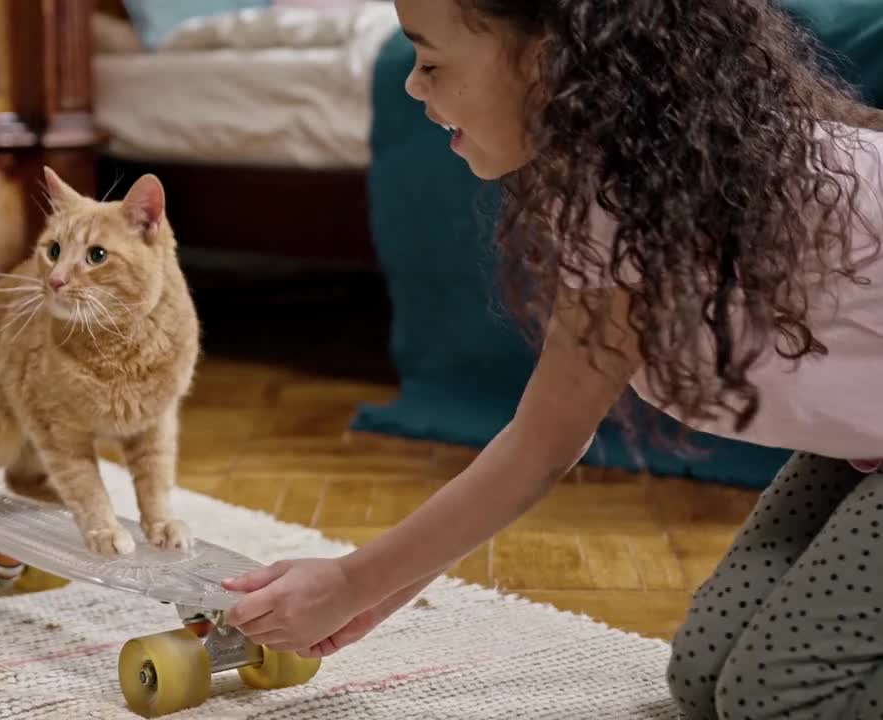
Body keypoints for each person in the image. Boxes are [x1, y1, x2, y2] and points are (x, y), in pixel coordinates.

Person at [222, 0, 883, 716]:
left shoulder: (767, 186)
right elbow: (543, 442)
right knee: (703, 677)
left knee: (777, 699)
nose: (413, 85)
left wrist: (352, 583)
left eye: (433, 62)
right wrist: (366, 593)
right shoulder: (624, 198)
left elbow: (540, 448)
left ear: (545, 63)